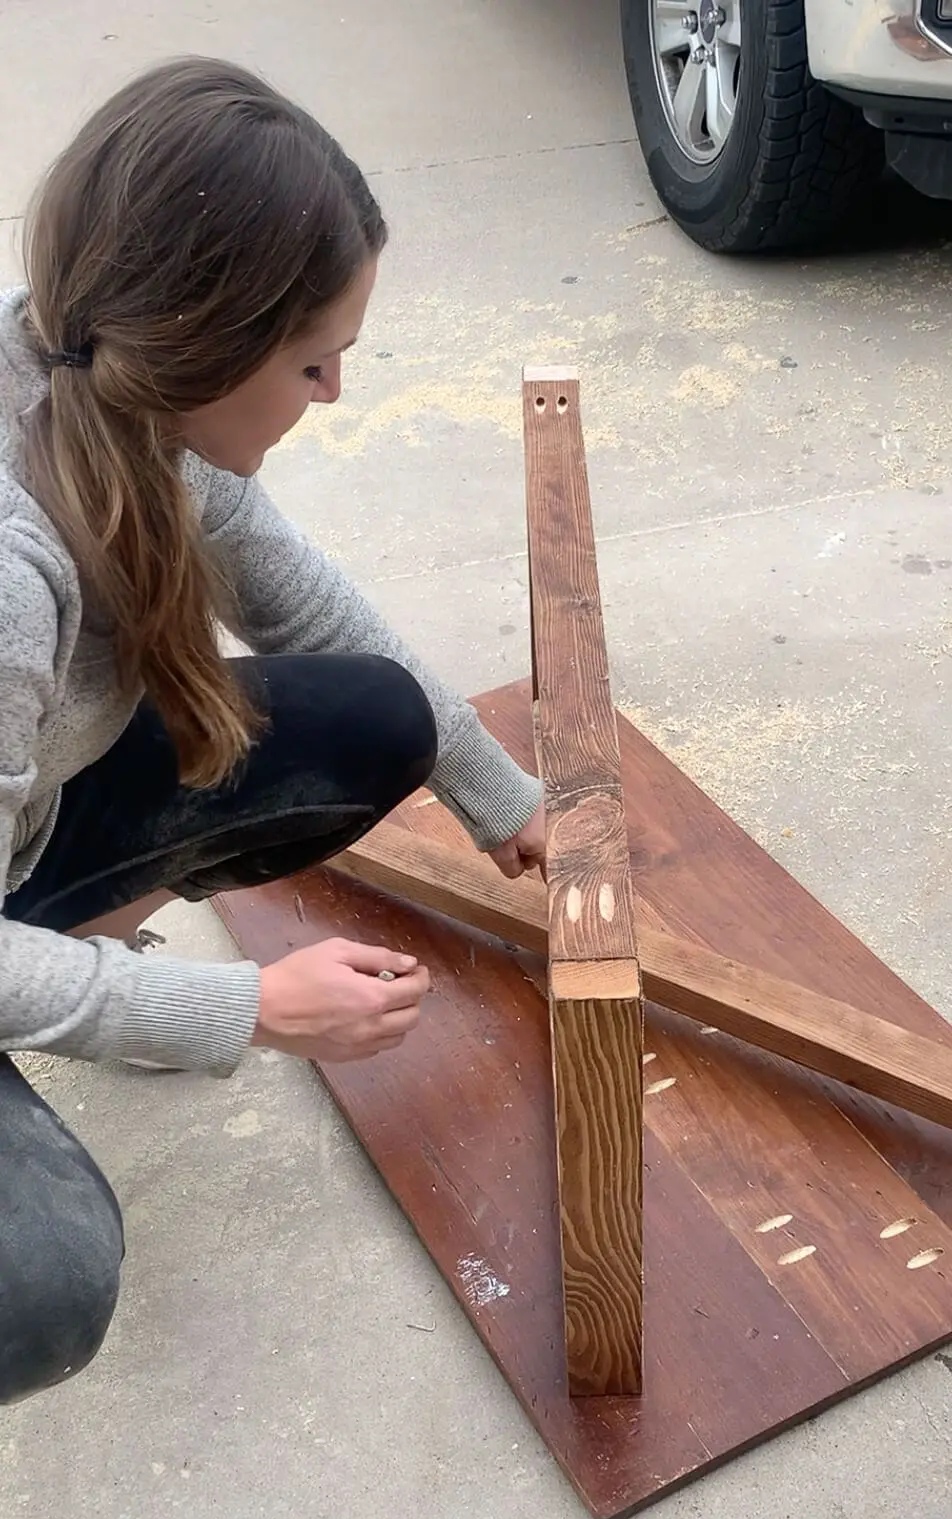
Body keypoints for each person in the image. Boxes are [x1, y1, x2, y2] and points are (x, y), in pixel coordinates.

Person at [0, 57, 545, 1405]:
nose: (335, 394)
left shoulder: (115, 379)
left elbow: (309, 605)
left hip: (24, 813)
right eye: (316, 363)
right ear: (209, 340)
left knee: (376, 718)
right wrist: (239, 1008)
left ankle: (58, 936)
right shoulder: (8, 574)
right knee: (44, 1277)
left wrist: (507, 797)